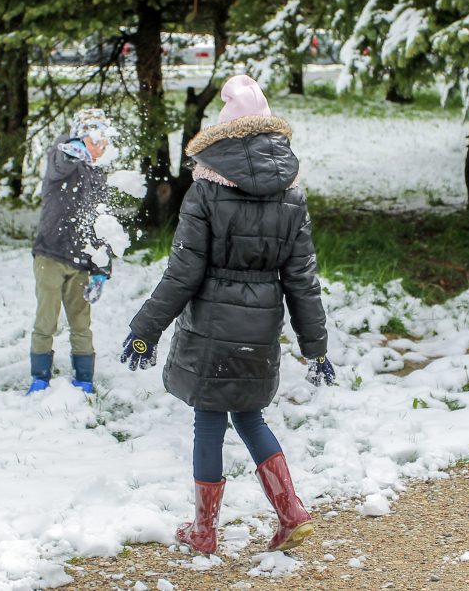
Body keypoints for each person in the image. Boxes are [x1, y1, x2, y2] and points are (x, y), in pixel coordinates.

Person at [120, 75, 335, 554]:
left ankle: (204, 530)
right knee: (251, 417)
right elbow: (302, 280)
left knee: (209, 421)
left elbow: (182, 274)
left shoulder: (205, 194)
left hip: (212, 330)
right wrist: (315, 348)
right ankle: (291, 511)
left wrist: (144, 330)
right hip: (261, 328)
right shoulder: (292, 198)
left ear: (223, 138)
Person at [28, 109, 116, 395]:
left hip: (81, 263)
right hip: (50, 256)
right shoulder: (62, 161)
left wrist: (101, 270)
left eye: (103, 143)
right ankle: (40, 378)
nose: (100, 148)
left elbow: (103, 227)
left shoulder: (99, 178)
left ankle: (84, 379)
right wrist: (70, 148)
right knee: (47, 320)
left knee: (81, 322)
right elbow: (59, 162)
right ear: (79, 138)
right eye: (94, 141)